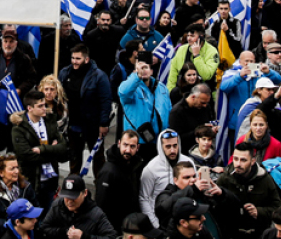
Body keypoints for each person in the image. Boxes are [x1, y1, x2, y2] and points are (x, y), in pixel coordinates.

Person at [214, 141, 281, 239]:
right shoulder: (225, 179)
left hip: (258, 237)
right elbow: (215, 210)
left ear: (252, 161)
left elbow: (278, 208)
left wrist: (259, 212)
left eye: (243, 160)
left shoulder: (265, 180)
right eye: (235, 159)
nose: (238, 164)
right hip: (232, 238)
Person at [57, 44, 112, 178]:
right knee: (74, 157)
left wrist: (104, 124)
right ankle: (73, 184)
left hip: (93, 124)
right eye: (73, 58)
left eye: (78, 58)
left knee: (98, 158)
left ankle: (99, 186)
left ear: (86, 59)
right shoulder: (65, 72)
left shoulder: (99, 76)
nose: (74, 61)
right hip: (73, 124)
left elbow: (106, 101)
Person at [10, 90, 67, 209]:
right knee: (31, 217)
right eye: (40, 106)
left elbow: (63, 147)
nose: (44, 108)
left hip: (50, 180)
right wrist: (53, 150)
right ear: (30, 108)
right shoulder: (19, 128)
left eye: (44, 105)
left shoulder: (50, 122)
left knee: (48, 218)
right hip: (31, 180)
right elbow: (25, 155)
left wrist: (43, 149)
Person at [119, 52, 171, 161]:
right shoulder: (131, 86)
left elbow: (168, 111)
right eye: (141, 67)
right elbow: (123, 93)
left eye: (146, 67)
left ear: (152, 71)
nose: (144, 70)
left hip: (158, 142)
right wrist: (136, 76)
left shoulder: (162, 88)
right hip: (138, 142)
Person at [138, 129, 190, 228]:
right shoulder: (151, 169)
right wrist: (155, 224)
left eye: (175, 145)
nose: (172, 150)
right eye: (168, 146)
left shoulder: (188, 163)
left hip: (185, 222)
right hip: (161, 223)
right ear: (161, 147)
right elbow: (144, 198)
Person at [94, 130, 144, 230]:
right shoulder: (109, 171)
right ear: (119, 143)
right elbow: (101, 204)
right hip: (114, 227)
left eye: (132, 146)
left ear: (137, 147)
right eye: (125, 145)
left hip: (129, 224)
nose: (128, 150)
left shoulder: (135, 166)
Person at [0, 154, 38, 238]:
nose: (16, 171)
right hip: (1, 237)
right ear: (1, 172)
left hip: (26, 234)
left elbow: (35, 207)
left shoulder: (26, 187)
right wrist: (14, 225)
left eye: (17, 167)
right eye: (12, 168)